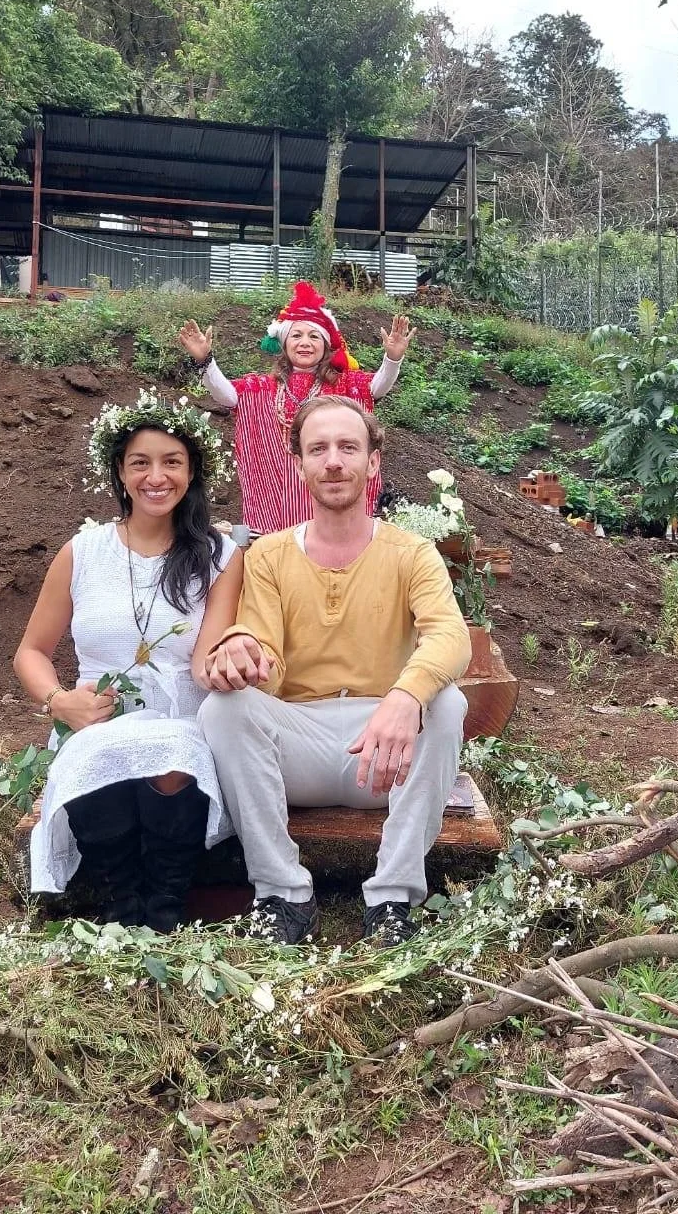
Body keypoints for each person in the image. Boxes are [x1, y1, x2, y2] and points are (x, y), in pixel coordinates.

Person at [197, 396, 470, 947]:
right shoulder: (269, 555)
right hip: (300, 741)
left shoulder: (412, 553)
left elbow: (450, 636)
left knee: (447, 703)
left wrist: (404, 697)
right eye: (318, 449)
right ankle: (282, 894)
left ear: (373, 462)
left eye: (349, 447)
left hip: (386, 752)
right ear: (299, 464)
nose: (334, 461)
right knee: (223, 708)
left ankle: (392, 898)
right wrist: (241, 648)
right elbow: (262, 645)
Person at [13, 391, 243, 930]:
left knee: (169, 758)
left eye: (172, 462)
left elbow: (206, 659)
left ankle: (164, 907)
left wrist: (240, 658)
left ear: (192, 473)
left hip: (179, 715)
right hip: (94, 713)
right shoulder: (84, 551)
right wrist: (59, 701)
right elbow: (30, 651)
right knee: (95, 756)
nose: (155, 477)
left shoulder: (218, 557)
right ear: (119, 472)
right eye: (140, 463)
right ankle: (120, 902)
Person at [178, 280, 414, 535]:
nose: (305, 342)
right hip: (274, 503)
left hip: (326, 481)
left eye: (314, 336)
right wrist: (205, 360)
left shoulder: (345, 384)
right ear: (284, 342)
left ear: (325, 345)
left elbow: (376, 388)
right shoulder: (262, 387)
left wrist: (392, 359)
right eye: (297, 335)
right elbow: (227, 396)